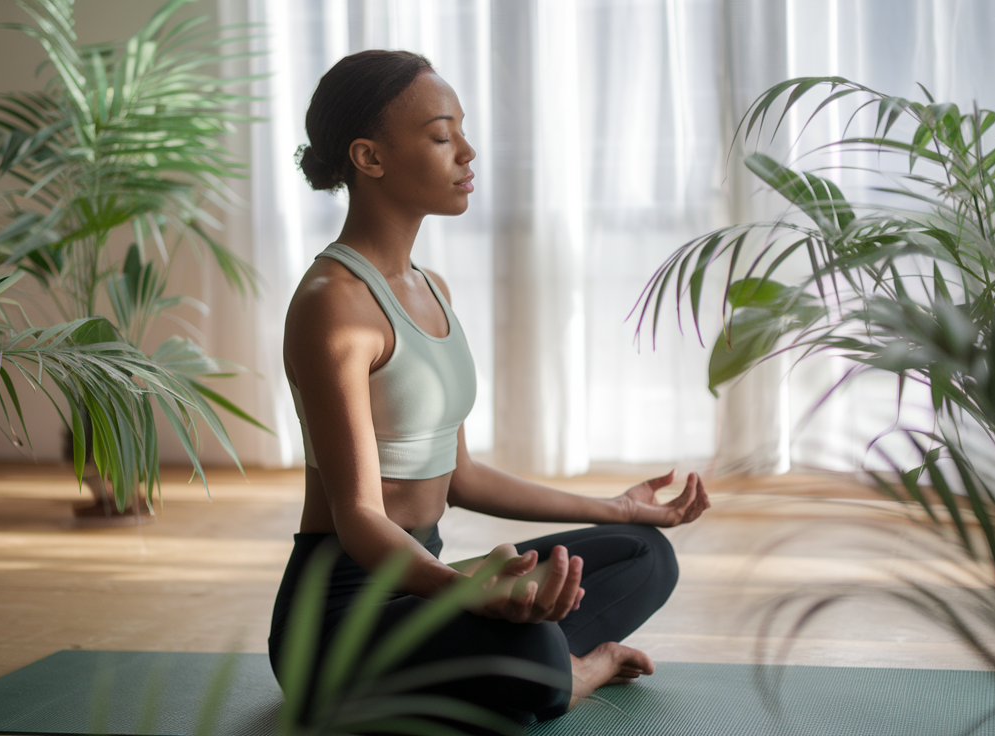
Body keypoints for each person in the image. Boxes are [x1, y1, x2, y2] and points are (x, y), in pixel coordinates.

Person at [268, 49, 710, 728]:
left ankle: (519, 659)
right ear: (370, 157)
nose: (468, 152)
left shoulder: (431, 289)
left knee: (645, 556)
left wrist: (620, 509)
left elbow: (463, 477)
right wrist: (466, 593)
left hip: (421, 590)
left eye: (462, 132)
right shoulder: (334, 303)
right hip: (340, 617)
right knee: (531, 647)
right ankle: (574, 670)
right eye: (442, 136)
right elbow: (358, 517)